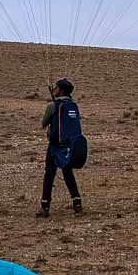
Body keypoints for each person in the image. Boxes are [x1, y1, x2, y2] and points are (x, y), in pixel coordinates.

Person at [37, 77, 82, 217]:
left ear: (61, 90)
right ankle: (77, 203)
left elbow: (43, 123)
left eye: (56, 88)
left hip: (54, 146)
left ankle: (45, 206)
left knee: (49, 175)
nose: (54, 90)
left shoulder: (52, 106)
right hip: (68, 146)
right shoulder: (73, 106)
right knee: (68, 173)